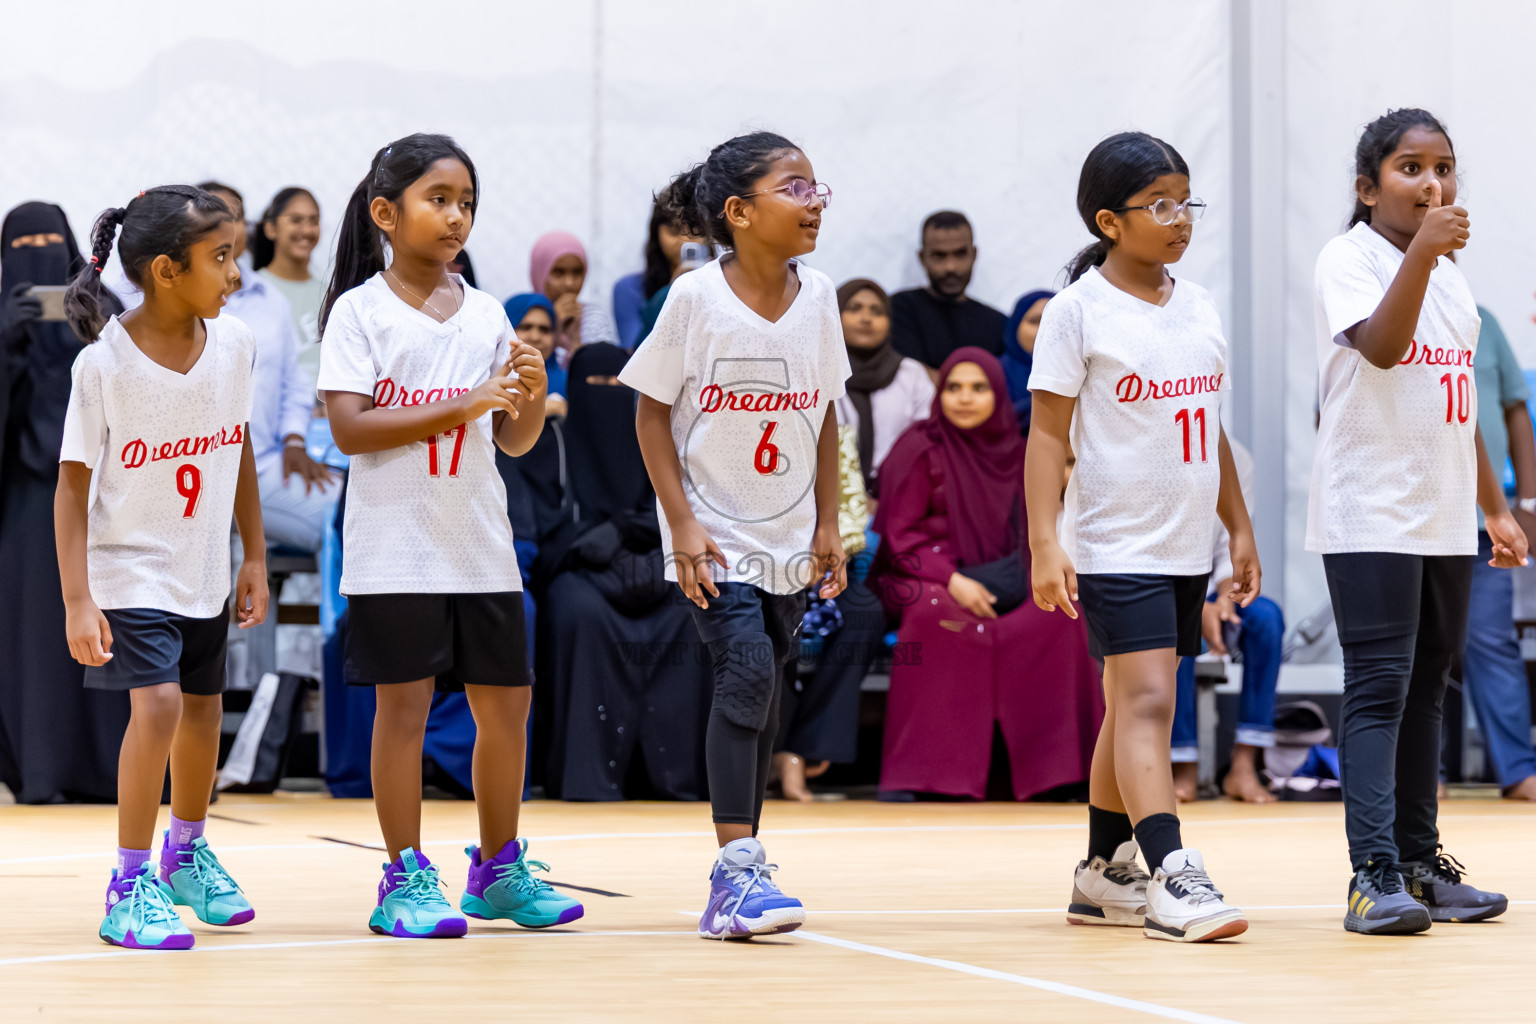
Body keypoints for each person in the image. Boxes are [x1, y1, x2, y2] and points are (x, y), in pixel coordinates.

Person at [317, 133, 582, 938]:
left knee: (507, 705)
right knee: (403, 712)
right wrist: (468, 401)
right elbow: (352, 431)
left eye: (467, 202)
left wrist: (527, 395)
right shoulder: (357, 313)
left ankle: (498, 868)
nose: (457, 215)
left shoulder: (489, 312)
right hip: (393, 549)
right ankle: (402, 878)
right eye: (439, 199)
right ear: (386, 213)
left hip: (479, 543)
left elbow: (514, 442)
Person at [1027, 131, 1257, 943]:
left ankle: (1102, 874)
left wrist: (1238, 525)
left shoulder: (1198, 304)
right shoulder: (1078, 310)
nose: (1179, 218)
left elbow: (1211, 425)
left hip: (1187, 542)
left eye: (1185, 200)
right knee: (1151, 703)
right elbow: (1048, 439)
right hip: (1116, 541)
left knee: (1126, 705)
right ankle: (1172, 872)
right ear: (1109, 221)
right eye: (1159, 204)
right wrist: (1045, 542)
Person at [621, 130, 848, 940]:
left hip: (791, 531)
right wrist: (681, 523)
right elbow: (649, 412)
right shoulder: (692, 298)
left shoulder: (818, 296)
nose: (815, 201)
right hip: (713, 534)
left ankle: (746, 864)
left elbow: (824, 414)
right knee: (746, 665)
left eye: (818, 187)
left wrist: (828, 520)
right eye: (796, 188)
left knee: (771, 682)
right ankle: (735, 869)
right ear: (740, 212)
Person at [1309, 109, 1525, 934]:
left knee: (1430, 685)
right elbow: (1386, 348)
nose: (1433, 181)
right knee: (1379, 686)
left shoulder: (1454, 278)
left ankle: (1419, 862)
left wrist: (1494, 506)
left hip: (1442, 511)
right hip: (1369, 508)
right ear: (1368, 189)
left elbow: (1454, 399)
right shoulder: (1349, 258)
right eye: (1409, 167)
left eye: (1444, 167)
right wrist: (1426, 254)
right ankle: (1371, 875)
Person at [56, 186, 268, 949]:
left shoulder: (236, 343)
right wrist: (79, 599)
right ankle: (129, 878)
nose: (235, 273)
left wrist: (255, 556)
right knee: (159, 708)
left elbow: (237, 448)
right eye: (221, 258)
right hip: (130, 568)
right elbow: (72, 489)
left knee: (205, 710)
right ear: (165, 271)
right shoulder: (102, 364)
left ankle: (187, 848)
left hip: (206, 563)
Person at [871, 349, 1103, 801]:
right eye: (954, 387)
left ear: (997, 395)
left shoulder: (1018, 452)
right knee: (937, 619)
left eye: (978, 388)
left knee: (1059, 617)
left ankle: (1057, 775)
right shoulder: (918, 448)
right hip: (926, 576)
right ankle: (930, 776)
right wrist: (951, 579)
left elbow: (1032, 530)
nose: (965, 398)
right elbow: (901, 537)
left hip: (1007, 577)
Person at [536, 342, 715, 800]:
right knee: (577, 612)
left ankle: (673, 775)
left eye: (619, 384)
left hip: (653, 558)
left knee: (688, 611)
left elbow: (683, 507)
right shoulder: (549, 443)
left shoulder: (659, 439)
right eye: (596, 385)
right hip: (580, 568)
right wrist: (596, 546)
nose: (608, 392)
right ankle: (586, 774)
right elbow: (537, 523)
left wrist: (639, 546)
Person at [0, 202, 129, 804]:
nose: (40, 251)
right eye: (24, 243)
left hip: (106, 494)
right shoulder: (4, 316)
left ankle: (113, 770)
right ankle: (41, 769)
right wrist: (5, 344)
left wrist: (99, 331)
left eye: (51, 240)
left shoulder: (106, 311)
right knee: (36, 636)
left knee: (108, 628)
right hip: (26, 494)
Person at [203, 184, 337, 555]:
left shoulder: (270, 300)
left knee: (352, 509)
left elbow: (293, 383)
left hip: (263, 465)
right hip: (196, 475)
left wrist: (294, 441)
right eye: (216, 215)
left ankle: (344, 616)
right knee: (342, 523)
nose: (230, 225)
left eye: (237, 216)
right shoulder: (179, 303)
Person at [1169, 438, 1283, 804]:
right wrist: (1195, 602)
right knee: (1179, 625)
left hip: (1211, 587)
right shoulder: (1151, 446)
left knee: (1267, 619)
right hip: (1168, 587)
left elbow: (1229, 543)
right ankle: (1180, 764)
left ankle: (1244, 764)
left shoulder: (1234, 456)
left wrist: (1223, 597)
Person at [1458, 302, 1536, 800]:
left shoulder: (1480, 319)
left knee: (1492, 644)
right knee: (1411, 652)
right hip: (1404, 521)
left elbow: (1514, 407)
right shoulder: (1369, 310)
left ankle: (1518, 770)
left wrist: (1525, 500)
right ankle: (1421, 780)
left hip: (1481, 518)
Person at [832, 278, 934, 498]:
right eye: (854, 308)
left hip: (901, 496)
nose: (866, 318)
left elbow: (926, 442)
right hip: (829, 498)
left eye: (877, 311)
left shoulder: (910, 375)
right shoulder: (821, 371)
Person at [888, 211, 1006, 369]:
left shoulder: (998, 324)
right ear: (922, 258)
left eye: (960, 254)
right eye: (939, 256)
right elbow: (911, 377)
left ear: (974, 254)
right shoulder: (899, 309)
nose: (950, 267)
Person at [613, 196, 706, 350]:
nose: (684, 241)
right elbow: (634, 353)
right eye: (674, 231)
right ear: (656, 233)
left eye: (695, 231)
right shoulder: (629, 289)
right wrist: (669, 293)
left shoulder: (726, 280)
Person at [251, 187, 325, 381]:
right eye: (296, 220)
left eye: (314, 221)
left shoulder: (330, 294)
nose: (307, 230)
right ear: (271, 228)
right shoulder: (252, 291)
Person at [528, 230, 618, 357]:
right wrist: (553, 326)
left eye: (577, 272)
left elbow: (601, 370)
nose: (569, 283)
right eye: (559, 272)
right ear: (540, 272)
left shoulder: (593, 317)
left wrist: (574, 340)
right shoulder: (523, 316)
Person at [503, 293, 567, 418]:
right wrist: (546, 409)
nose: (535, 337)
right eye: (525, 327)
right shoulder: (489, 377)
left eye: (544, 329)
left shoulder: (567, 381)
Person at [1001, 290, 1053, 435]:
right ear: (1015, 325)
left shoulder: (1082, 377)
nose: (1044, 330)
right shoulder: (990, 374)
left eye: (1053, 322)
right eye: (1035, 321)